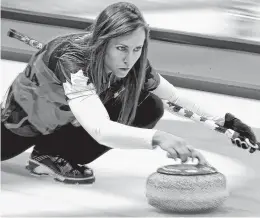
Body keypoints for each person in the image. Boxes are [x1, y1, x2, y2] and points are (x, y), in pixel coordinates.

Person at [1, 2, 258, 184]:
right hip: (22, 124)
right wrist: (159, 138)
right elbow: (99, 128)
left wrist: (226, 122)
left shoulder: (132, 63)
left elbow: (174, 99)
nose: (130, 59)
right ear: (103, 41)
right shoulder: (72, 62)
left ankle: (51, 154)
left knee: (150, 106)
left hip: (67, 119)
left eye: (137, 49)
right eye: (122, 48)